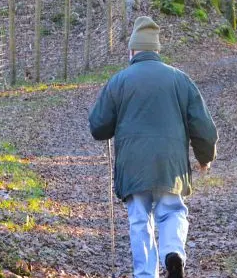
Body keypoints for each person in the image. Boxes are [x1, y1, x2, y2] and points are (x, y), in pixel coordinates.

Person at [89, 16, 218, 278]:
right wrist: (205, 157)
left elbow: (98, 127)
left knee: (139, 220)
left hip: (133, 165)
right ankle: (173, 253)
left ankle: (146, 275)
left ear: (132, 50)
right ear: (156, 49)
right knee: (171, 211)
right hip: (170, 165)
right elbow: (204, 127)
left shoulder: (119, 81)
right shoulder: (180, 80)